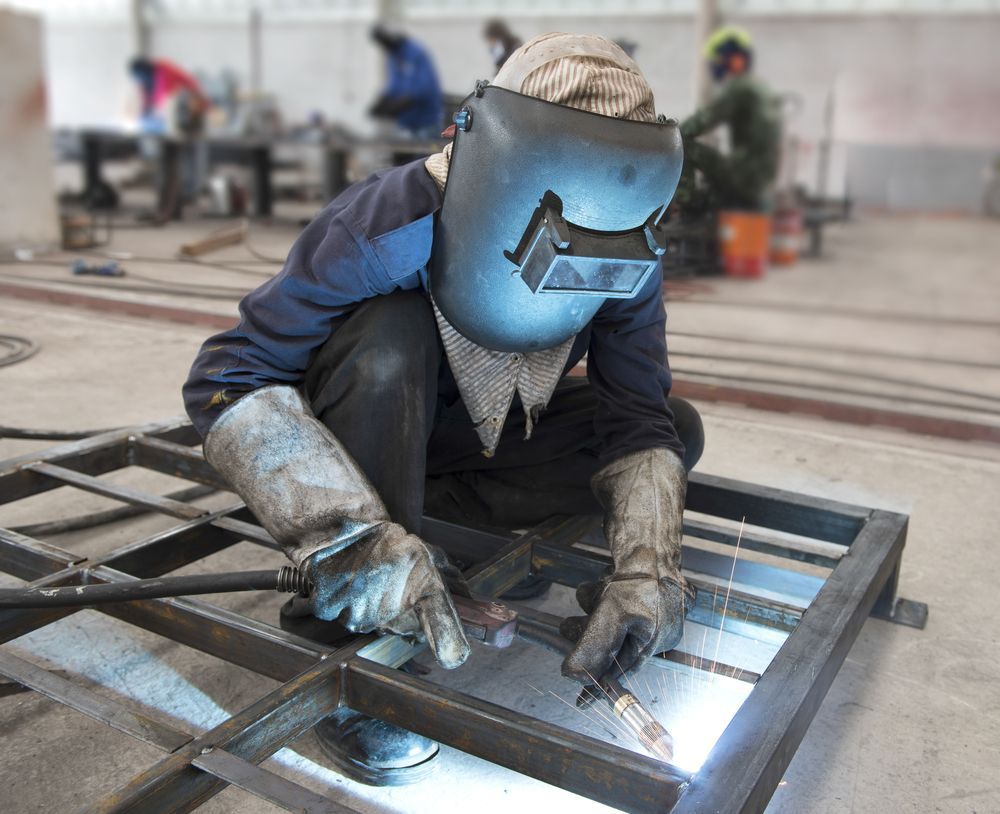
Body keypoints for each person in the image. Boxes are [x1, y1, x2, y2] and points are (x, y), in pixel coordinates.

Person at [183, 33, 704, 786]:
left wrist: (647, 566)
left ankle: (439, 533)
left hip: (472, 439)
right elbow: (226, 378)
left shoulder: (629, 245)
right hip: (371, 429)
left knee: (674, 432)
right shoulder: (387, 222)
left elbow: (636, 412)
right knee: (389, 341)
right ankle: (346, 642)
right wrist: (342, 540)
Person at [677, 27, 780, 212]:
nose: (714, 65)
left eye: (716, 60)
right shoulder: (758, 88)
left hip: (745, 176)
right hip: (761, 177)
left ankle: (688, 209)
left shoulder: (740, 88)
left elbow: (701, 122)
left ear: (733, 60)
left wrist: (670, 134)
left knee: (682, 144)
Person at [368, 25, 443, 139]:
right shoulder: (394, 56)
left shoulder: (416, 53)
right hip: (406, 125)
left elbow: (425, 88)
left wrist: (401, 103)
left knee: (426, 156)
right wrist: (382, 102)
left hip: (426, 122)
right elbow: (393, 86)